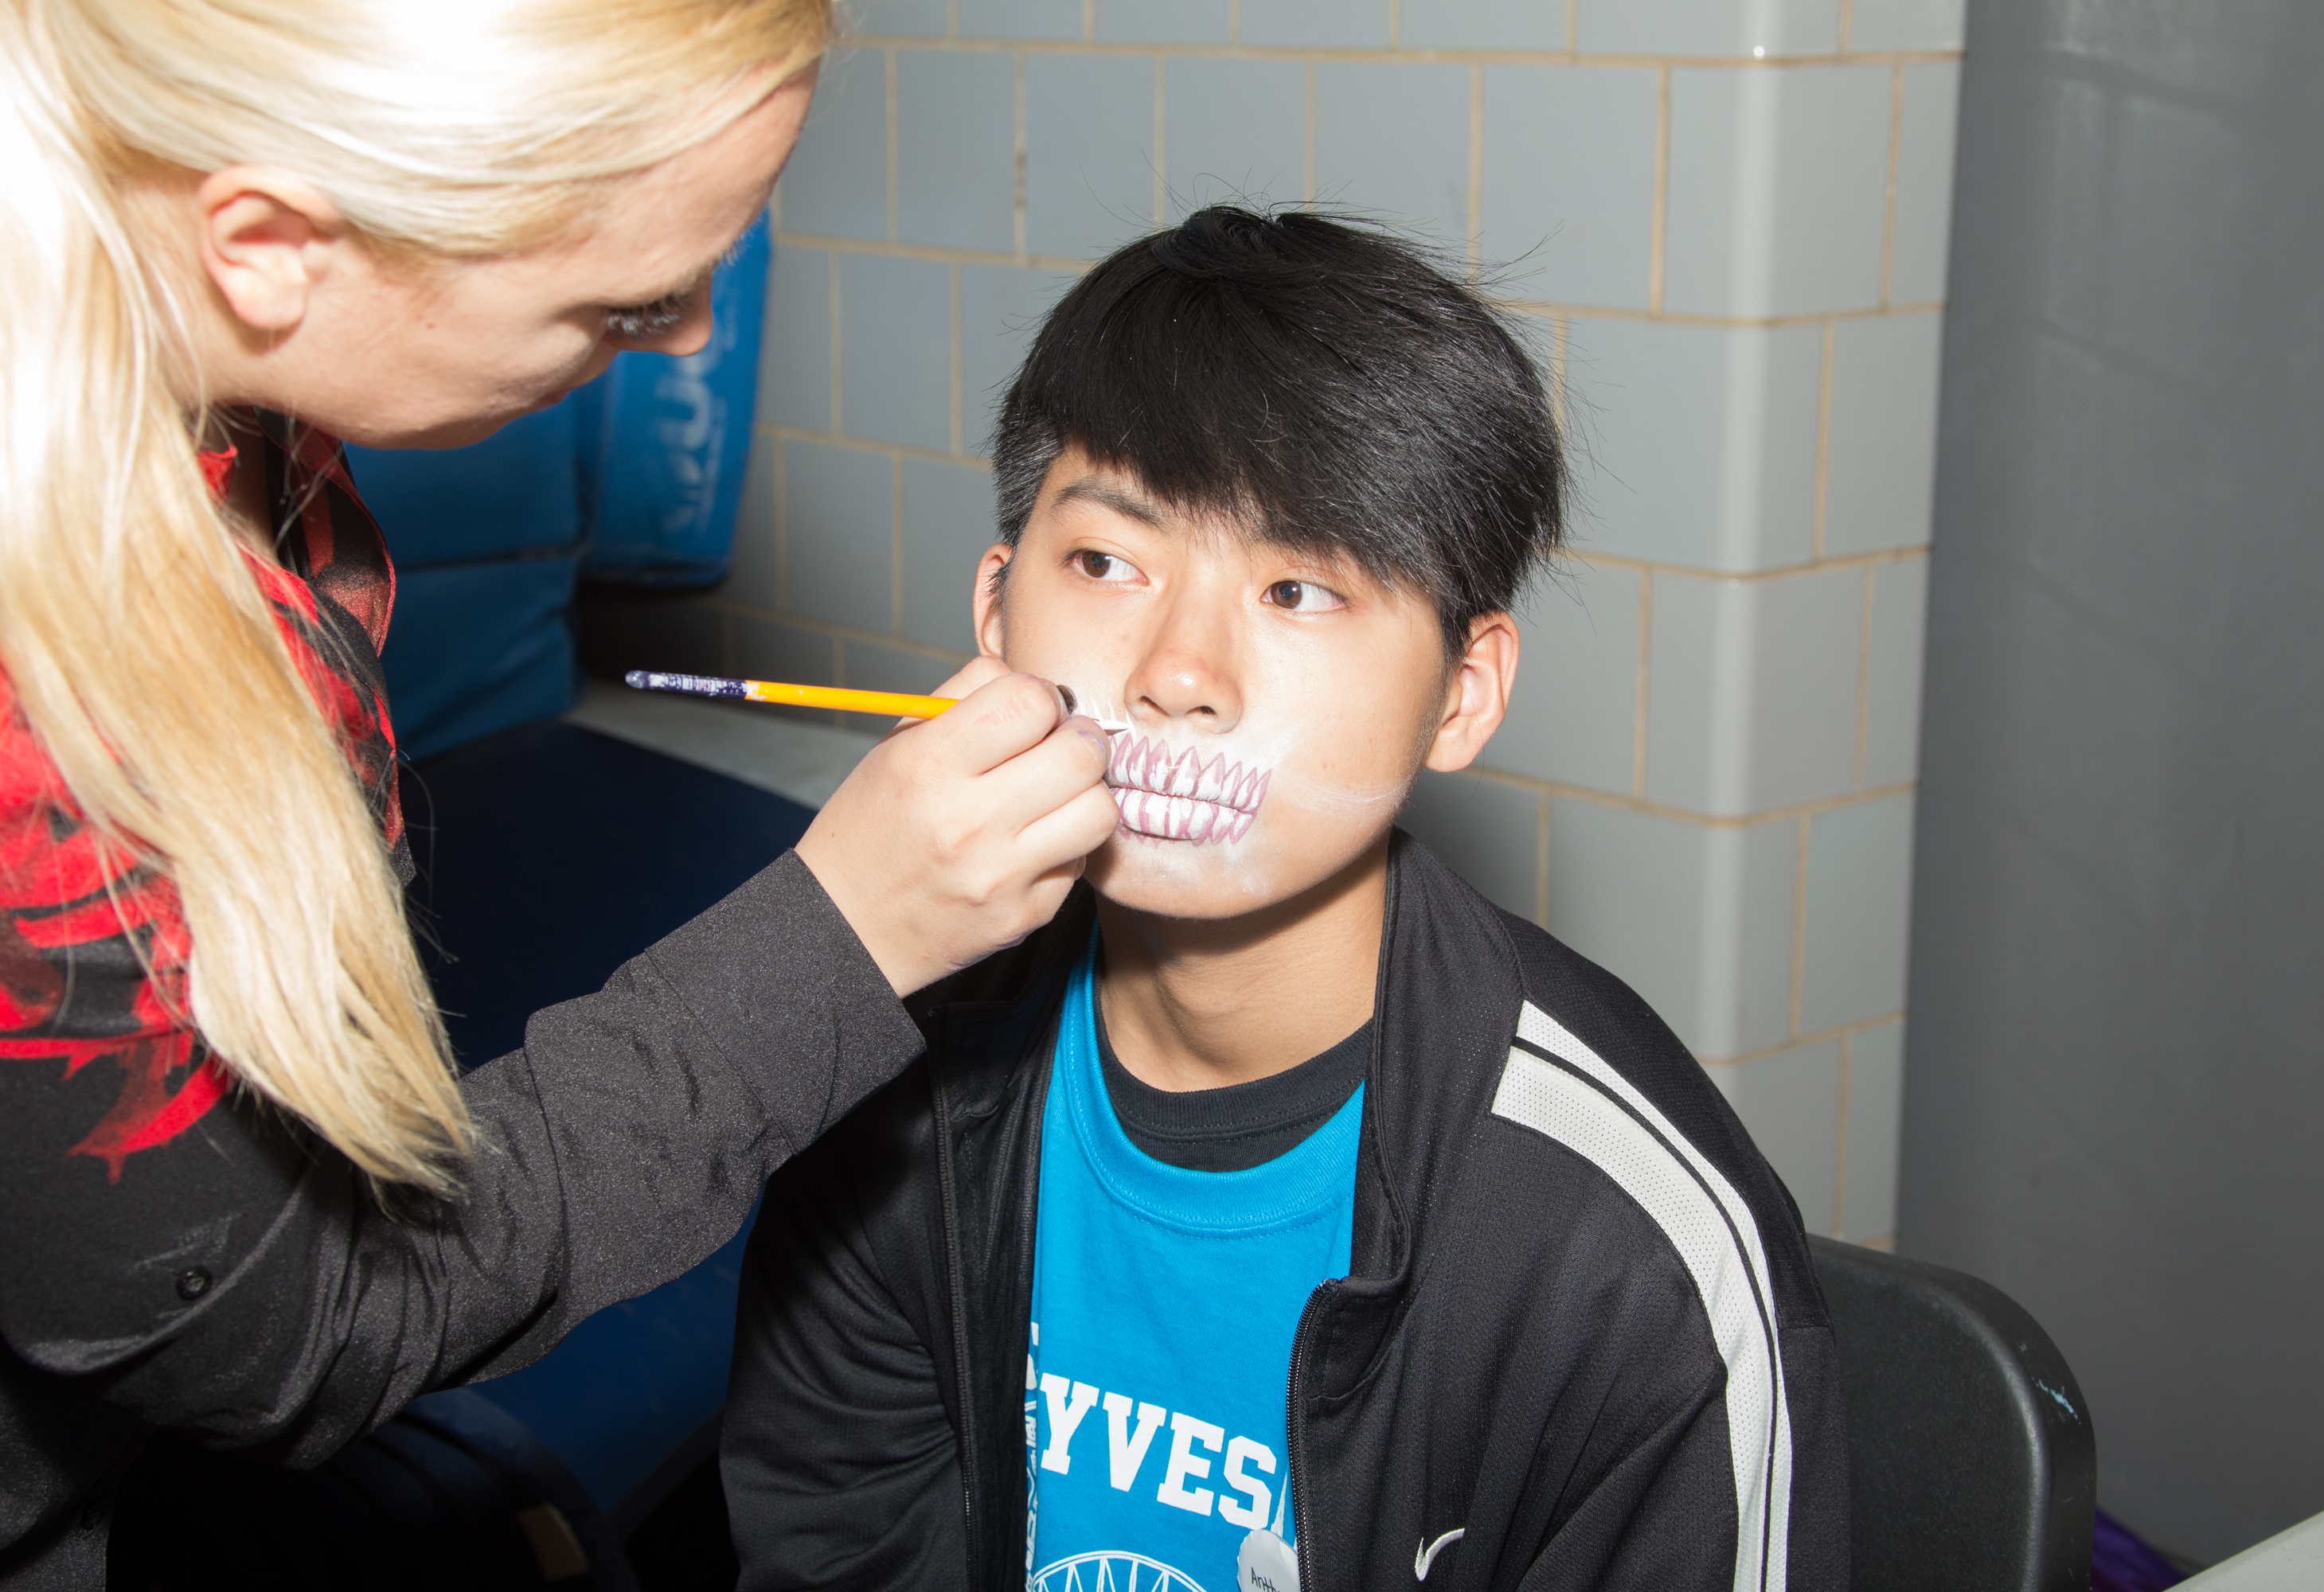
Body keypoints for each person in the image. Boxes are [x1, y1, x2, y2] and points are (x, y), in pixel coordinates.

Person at [0, 1, 1119, 1583]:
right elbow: (279, 1329)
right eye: (626, 304)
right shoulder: (39, 760)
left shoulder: (215, 405)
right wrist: (843, 938)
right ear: (268, 247)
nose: (690, 341)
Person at [720, 206, 1851, 1592]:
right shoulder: (883, 1072)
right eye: (1108, 564)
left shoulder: (1627, 1253)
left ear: (1463, 694)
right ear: (997, 612)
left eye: (1300, 587)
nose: (1179, 673)